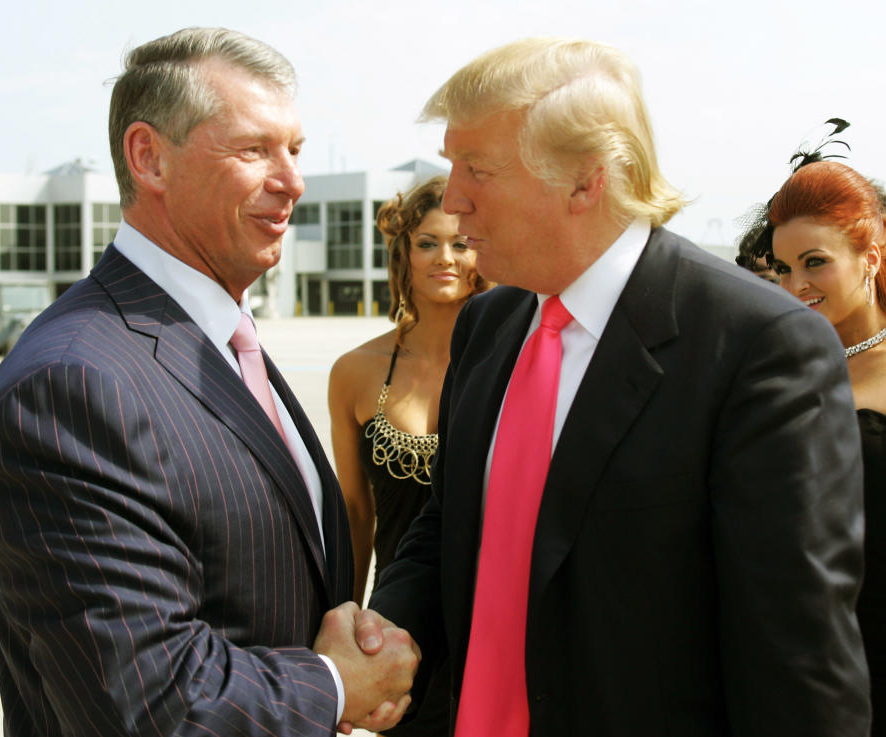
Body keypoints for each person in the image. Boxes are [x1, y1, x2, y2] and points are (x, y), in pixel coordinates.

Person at [365, 37, 870, 736]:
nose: (452, 201)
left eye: (477, 169)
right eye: (453, 166)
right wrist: (383, 630)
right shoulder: (488, 321)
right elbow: (450, 522)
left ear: (585, 180)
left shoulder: (758, 347)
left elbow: (798, 655)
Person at [0, 27, 417, 737]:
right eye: (254, 149)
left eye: (293, 150)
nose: (292, 180)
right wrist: (331, 685)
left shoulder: (228, 341)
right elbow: (149, 703)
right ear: (150, 158)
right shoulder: (68, 390)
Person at [329, 176, 489, 736]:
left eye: (461, 242)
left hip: (492, 620)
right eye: (427, 242)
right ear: (403, 254)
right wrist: (346, 637)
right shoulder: (356, 371)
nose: (445, 257)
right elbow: (353, 512)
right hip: (399, 628)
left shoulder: (512, 360)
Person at [768, 159, 886, 734]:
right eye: (784, 268)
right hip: (802, 649)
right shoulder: (779, 369)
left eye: (815, 263)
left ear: (871, 256)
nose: (796, 287)